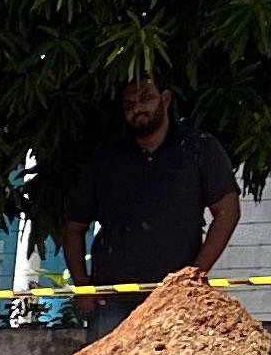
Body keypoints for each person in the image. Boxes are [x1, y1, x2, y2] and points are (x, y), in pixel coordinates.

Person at [55, 74, 243, 339]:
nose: (138, 109)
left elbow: (228, 211)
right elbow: (74, 228)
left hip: (175, 298)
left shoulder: (199, 147)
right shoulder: (107, 159)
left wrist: (195, 274)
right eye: (129, 104)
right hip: (111, 299)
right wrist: (83, 286)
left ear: (165, 100)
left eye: (146, 99)